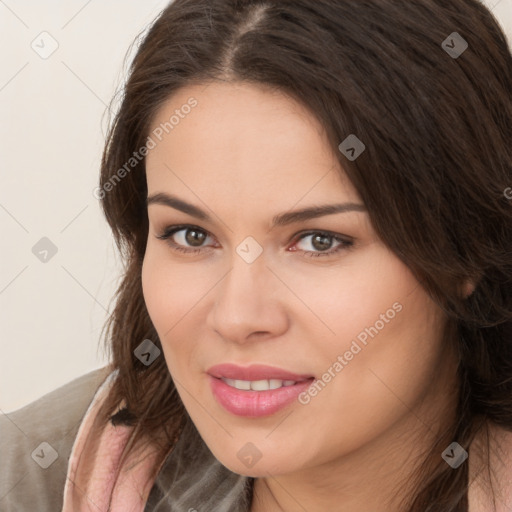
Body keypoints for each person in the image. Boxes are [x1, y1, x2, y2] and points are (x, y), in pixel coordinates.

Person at [1, 0, 511, 510]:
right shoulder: (29, 479)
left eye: (319, 240)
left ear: (465, 249)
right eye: (191, 235)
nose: (237, 317)